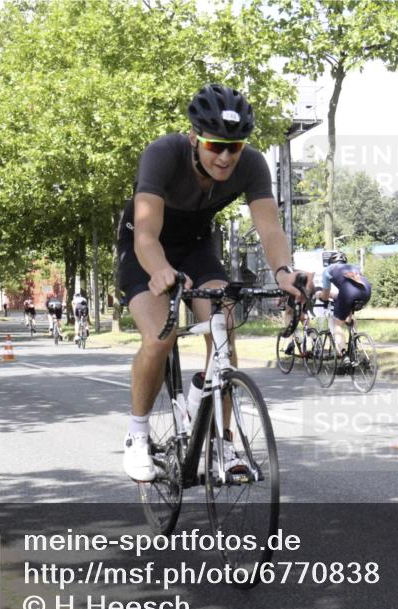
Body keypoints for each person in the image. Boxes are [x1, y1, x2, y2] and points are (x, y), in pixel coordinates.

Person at [116, 83, 311, 482]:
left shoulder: (252, 164)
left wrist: (284, 272)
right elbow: (146, 235)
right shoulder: (162, 154)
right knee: (160, 337)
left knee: (223, 327)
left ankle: (223, 443)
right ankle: (137, 436)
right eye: (214, 146)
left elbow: (271, 231)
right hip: (145, 245)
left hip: (197, 246)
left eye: (234, 148)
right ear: (194, 139)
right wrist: (160, 270)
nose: (225, 157)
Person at [316, 251, 372, 360]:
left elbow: (325, 295)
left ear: (330, 262)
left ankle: (344, 354)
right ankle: (354, 343)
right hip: (366, 291)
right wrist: (336, 296)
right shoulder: (353, 267)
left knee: (337, 324)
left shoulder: (327, 270)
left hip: (348, 293)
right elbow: (351, 289)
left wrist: (320, 295)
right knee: (348, 315)